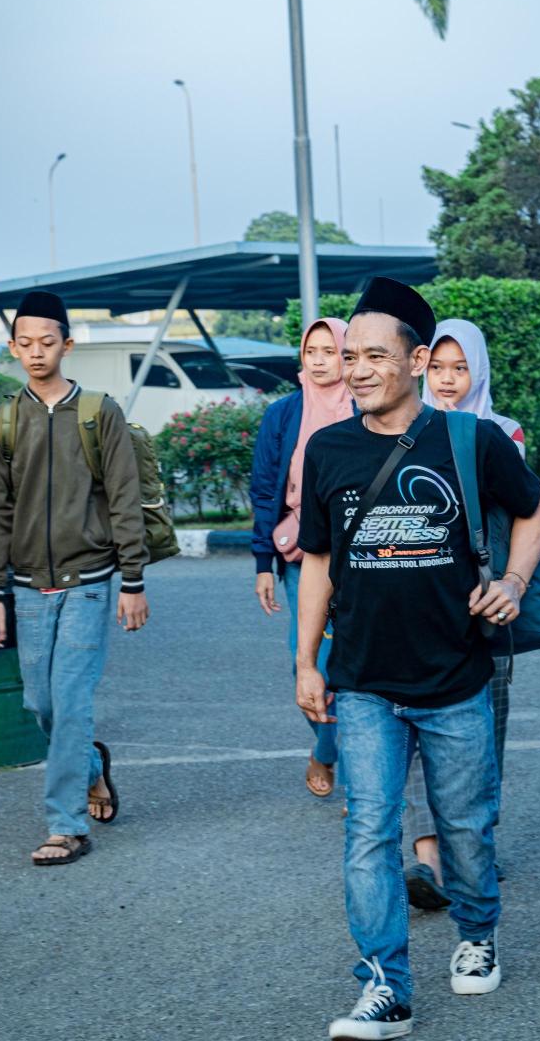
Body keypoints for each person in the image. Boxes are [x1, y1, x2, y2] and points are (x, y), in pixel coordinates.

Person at [295, 277, 540, 1038]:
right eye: (350, 356)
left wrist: (512, 581)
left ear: (414, 361)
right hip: (362, 680)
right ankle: (385, 985)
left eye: (375, 355)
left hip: (456, 676)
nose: (358, 369)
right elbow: (318, 561)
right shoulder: (328, 448)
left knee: (466, 829)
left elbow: (534, 508)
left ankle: (477, 932)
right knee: (369, 832)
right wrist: (306, 662)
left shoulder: (470, 440)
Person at [0, 290, 149, 866]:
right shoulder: (4, 422)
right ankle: (91, 765)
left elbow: (124, 497)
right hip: (27, 587)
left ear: (66, 345)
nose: (36, 352)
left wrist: (132, 580)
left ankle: (66, 826)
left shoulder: (98, 414)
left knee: (70, 702)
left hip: (89, 582)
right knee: (41, 705)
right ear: (12, 348)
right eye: (25, 343)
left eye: (47, 342)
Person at [404, 319, 525, 909]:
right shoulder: (403, 428)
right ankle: (428, 856)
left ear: (479, 371)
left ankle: (475, 845)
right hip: (415, 602)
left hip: (486, 603)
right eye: (438, 368)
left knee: (485, 728)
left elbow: (516, 505)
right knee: (414, 727)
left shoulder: (503, 432)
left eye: (461, 368)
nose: (448, 379)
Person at [250, 317, 352, 797]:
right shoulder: (283, 414)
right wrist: (262, 564)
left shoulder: (364, 407)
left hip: (363, 556)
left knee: (360, 665)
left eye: (330, 351)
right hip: (302, 555)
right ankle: (326, 749)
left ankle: (360, 777)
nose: (319, 361)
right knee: (307, 663)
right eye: (311, 351)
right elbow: (264, 489)